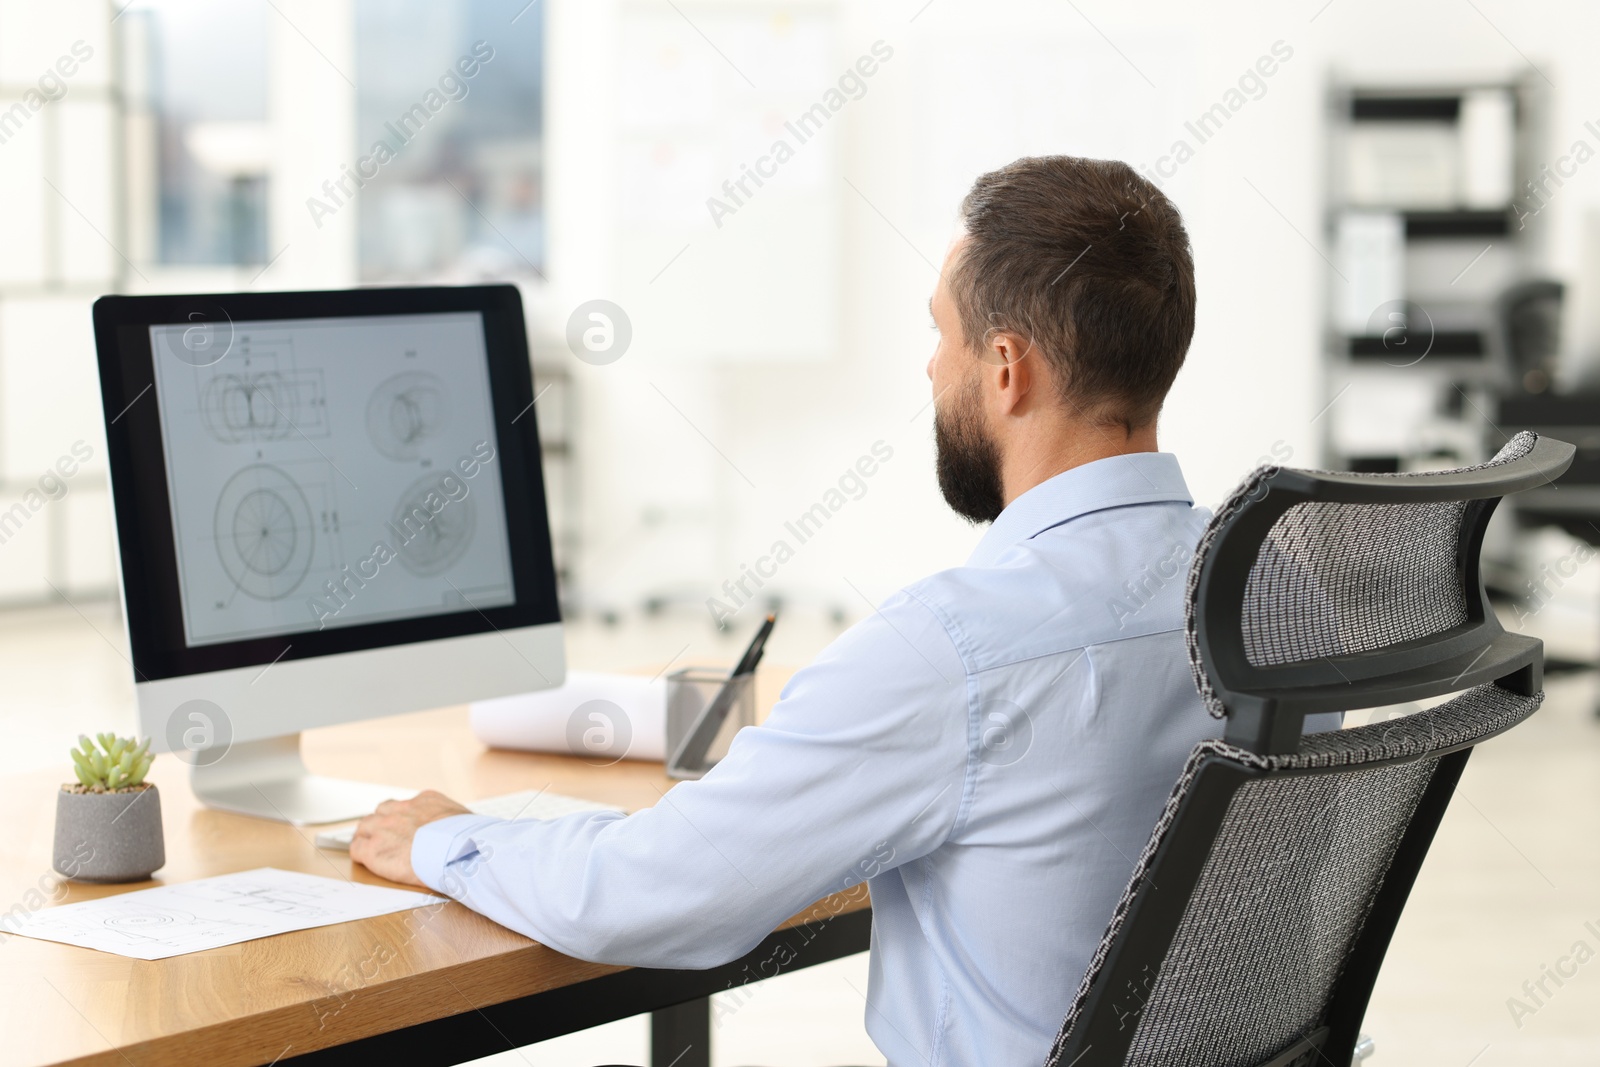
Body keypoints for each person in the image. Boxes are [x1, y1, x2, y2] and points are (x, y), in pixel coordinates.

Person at [353, 155, 1301, 1065]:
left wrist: (445, 836)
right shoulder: (1274, 588)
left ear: (1007, 368)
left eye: (943, 335)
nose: (932, 369)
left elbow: (653, 892)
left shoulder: (956, 653)